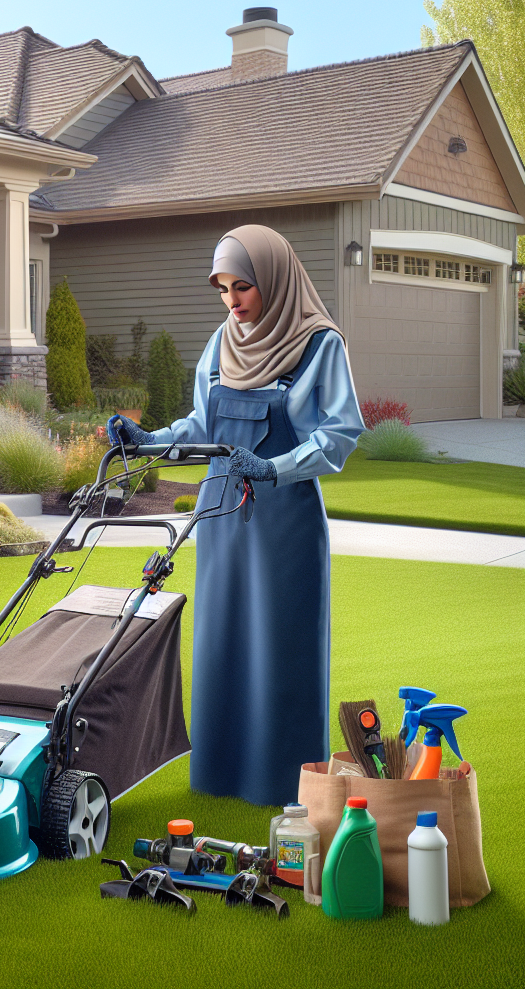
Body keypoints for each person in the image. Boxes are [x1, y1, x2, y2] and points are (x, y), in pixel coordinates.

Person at [106, 224, 365, 806]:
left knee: (281, 645)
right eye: (222, 289)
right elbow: (201, 424)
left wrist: (275, 468)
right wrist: (147, 440)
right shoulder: (223, 341)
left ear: (274, 280)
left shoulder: (320, 344)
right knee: (222, 638)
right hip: (220, 512)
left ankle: (281, 781)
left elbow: (340, 433)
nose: (232, 302)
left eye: (242, 287)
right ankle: (219, 777)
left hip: (283, 518)